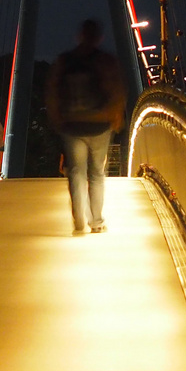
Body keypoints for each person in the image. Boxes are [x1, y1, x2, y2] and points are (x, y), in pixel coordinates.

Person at [45, 18, 125, 234]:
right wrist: (115, 117)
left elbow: (52, 91)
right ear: (98, 37)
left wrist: (57, 119)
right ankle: (97, 221)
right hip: (99, 124)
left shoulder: (64, 61)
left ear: (79, 36)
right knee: (97, 174)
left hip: (72, 125)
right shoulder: (106, 61)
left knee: (77, 172)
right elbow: (117, 91)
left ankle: (79, 220)